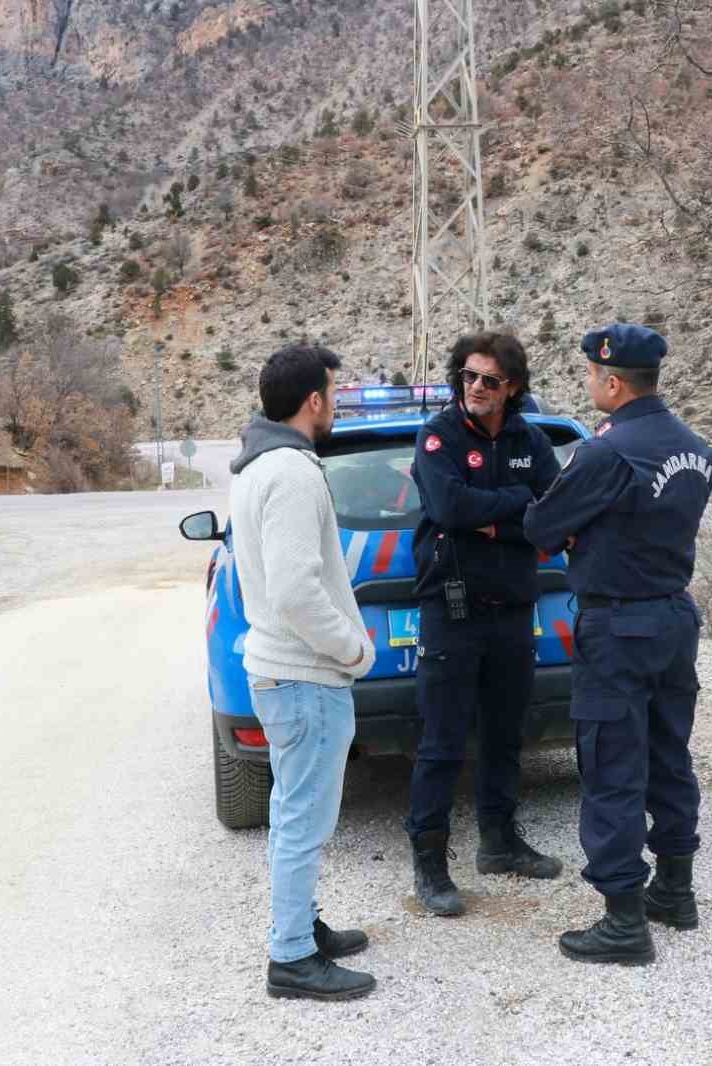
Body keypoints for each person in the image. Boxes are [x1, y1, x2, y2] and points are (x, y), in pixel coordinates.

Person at [523, 323, 712, 966]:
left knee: (612, 767)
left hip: (619, 626)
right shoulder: (697, 449)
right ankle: (676, 891)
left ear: (611, 380)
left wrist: (582, 533)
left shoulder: (608, 452)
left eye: (590, 374)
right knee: (670, 754)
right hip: (674, 620)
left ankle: (623, 922)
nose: (588, 384)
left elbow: (542, 526)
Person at [229, 343, 378, 1000]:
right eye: (334, 395)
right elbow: (294, 589)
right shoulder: (290, 472)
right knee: (302, 820)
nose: (335, 406)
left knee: (300, 815)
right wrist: (351, 647)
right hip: (305, 675)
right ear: (313, 400)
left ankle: (302, 928)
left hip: (285, 675)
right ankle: (291, 956)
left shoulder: (258, 467)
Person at [404, 331, 564, 916]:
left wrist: (494, 514)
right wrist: (515, 505)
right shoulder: (438, 435)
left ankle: (499, 843)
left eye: (490, 380)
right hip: (451, 612)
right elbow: (447, 508)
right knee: (442, 744)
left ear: (512, 387)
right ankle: (430, 865)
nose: (475, 387)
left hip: (514, 611)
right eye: (468, 376)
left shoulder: (532, 439)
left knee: (504, 736)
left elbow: (555, 515)